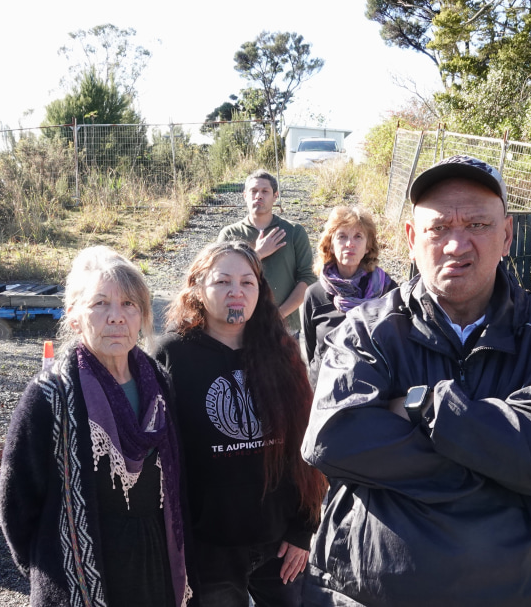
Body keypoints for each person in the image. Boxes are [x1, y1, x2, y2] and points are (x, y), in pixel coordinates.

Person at [301, 155, 531, 607]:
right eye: (439, 227)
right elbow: (333, 436)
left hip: (518, 593)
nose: (456, 244)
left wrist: (426, 407)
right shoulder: (367, 331)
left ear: (507, 235)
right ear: (411, 238)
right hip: (367, 595)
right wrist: (500, 468)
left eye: (478, 225)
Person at [0, 246, 193, 607]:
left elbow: (178, 480)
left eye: (129, 305)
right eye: (100, 303)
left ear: (143, 316)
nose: (116, 317)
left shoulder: (160, 384)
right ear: (74, 316)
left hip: (155, 566)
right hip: (80, 578)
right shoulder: (48, 397)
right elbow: (16, 505)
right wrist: (52, 570)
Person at [154, 241, 326, 607]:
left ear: (261, 291)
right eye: (223, 282)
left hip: (280, 544)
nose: (237, 292)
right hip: (208, 549)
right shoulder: (172, 354)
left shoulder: (281, 350)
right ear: (197, 287)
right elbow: (159, 458)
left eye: (248, 283)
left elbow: (307, 445)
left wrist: (303, 530)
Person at [299, 205, 397, 379]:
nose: (350, 244)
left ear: (368, 246)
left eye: (358, 236)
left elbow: (396, 347)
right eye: (342, 236)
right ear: (330, 245)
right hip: (326, 393)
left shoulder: (387, 291)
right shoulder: (315, 294)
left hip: (374, 391)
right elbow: (312, 350)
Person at [217, 169, 317, 333]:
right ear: (245, 195)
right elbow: (220, 278)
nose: (259, 196)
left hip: (284, 329)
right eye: (253, 191)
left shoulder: (293, 231)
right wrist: (257, 254)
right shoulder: (229, 234)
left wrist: (279, 315)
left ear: (275, 196)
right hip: (239, 328)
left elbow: (308, 277)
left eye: (265, 191)